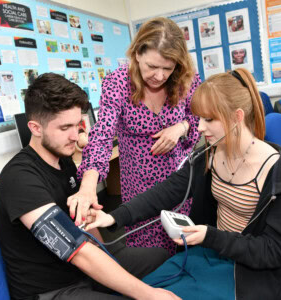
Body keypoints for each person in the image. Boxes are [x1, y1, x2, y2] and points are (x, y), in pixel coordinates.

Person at [86, 68, 281, 299]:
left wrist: (209, 236)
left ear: (237, 117)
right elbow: (166, 192)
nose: (199, 127)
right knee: (139, 293)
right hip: (210, 254)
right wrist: (114, 217)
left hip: (250, 271)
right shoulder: (210, 155)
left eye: (209, 119)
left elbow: (277, 250)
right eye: (199, 118)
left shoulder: (280, 171)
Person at [0, 73, 180, 300]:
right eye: (65, 128)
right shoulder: (20, 178)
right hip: (53, 289)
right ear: (35, 128)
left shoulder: (63, 160)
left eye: (78, 125)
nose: (76, 136)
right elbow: (76, 250)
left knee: (161, 258)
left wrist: (109, 258)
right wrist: (148, 294)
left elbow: (82, 222)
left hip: (81, 267)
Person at [70, 17, 201, 255]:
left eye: (168, 68)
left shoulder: (187, 80)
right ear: (137, 54)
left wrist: (181, 127)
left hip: (180, 183)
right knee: (148, 256)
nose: (160, 76)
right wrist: (88, 185)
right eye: (152, 66)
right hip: (139, 187)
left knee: (186, 248)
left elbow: (200, 118)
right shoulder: (118, 83)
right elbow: (102, 134)